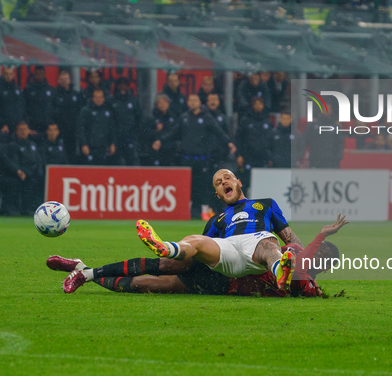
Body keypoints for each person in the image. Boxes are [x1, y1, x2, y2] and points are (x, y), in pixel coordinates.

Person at [63, 168, 307, 293]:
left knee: (269, 245)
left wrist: (307, 259)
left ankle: (280, 271)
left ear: (238, 182)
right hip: (228, 253)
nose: (224, 182)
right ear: (218, 194)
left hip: (256, 243)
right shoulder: (217, 219)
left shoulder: (266, 204)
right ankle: (166, 247)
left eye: (227, 178)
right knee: (195, 242)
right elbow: (202, 256)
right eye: (219, 183)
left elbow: (288, 236)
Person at [52, 215, 346, 296]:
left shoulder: (308, 285)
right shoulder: (294, 253)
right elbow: (302, 256)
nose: (318, 254)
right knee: (164, 263)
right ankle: (89, 274)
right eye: (320, 250)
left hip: (227, 284)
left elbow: (305, 272)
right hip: (235, 257)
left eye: (323, 257)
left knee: (151, 284)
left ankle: (82, 269)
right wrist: (323, 234)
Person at [176, 94, 236, 219]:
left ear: (199, 103)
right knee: (187, 187)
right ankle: (187, 210)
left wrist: (228, 142)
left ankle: (204, 210)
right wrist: (161, 140)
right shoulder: (184, 117)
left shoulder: (207, 117)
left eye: (195, 100)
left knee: (202, 186)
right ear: (187, 103)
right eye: (190, 100)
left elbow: (218, 131)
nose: (192, 103)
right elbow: (174, 132)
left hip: (202, 159)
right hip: (186, 158)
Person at [5, 121, 44, 214]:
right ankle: (26, 209)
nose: (23, 132)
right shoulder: (13, 145)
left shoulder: (33, 144)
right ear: (16, 132)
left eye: (25, 129)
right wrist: (22, 171)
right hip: (21, 174)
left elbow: (38, 161)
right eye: (20, 129)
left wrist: (39, 172)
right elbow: (15, 162)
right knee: (29, 182)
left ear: (29, 131)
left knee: (40, 180)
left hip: (33, 174)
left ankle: (38, 208)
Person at [77, 89, 117, 165]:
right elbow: (80, 129)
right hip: (90, 148)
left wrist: (113, 143)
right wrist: (83, 144)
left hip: (104, 148)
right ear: (92, 98)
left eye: (100, 97)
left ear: (103, 99)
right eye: (96, 97)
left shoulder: (108, 112)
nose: (98, 100)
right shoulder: (85, 111)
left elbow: (112, 130)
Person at [108, 77, 142, 165]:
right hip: (115, 138)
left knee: (132, 161)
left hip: (130, 138)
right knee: (117, 162)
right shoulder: (111, 101)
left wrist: (134, 133)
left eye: (125, 85)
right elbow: (108, 121)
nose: (122, 88)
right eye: (120, 85)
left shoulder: (133, 101)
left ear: (128, 87)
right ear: (117, 86)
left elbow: (139, 118)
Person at [54, 70, 83, 162]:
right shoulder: (55, 94)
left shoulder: (76, 94)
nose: (64, 81)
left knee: (73, 153)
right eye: (62, 79)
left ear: (70, 80)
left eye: (66, 79)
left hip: (73, 130)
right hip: (60, 130)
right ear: (58, 81)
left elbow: (80, 111)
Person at [144, 94, 179, 166]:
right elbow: (145, 134)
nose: (162, 105)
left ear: (168, 104)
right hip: (156, 150)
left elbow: (175, 132)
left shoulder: (173, 117)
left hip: (170, 149)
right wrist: (156, 131)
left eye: (165, 102)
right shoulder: (151, 118)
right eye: (160, 103)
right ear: (156, 105)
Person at [23, 65, 55, 134]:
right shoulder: (28, 90)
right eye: (37, 73)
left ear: (44, 74)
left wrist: (53, 123)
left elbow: (55, 107)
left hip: (49, 128)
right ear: (34, 74)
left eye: (41, 73)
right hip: (33, 127)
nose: (39, 75)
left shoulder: (51, 90)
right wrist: (28, 126)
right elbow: (24, 108)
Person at [0, 66, 25, 135]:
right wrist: (2, 124)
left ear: (14, 75)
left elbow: (22, 106)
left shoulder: (17, 88)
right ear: (3, 74)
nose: (8, 76)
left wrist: (23, 122)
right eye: (6, 74)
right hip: (5, 127)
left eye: (10, 74)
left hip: (18, 125)